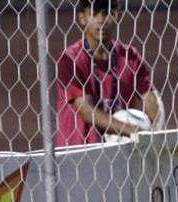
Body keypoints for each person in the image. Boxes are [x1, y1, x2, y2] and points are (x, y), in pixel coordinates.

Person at [55, 0, 163, 147]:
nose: (101, 20)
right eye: (94, 14)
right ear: (82, 18)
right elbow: (87, 111)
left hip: (121, 153)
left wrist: (152, 130)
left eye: (106, 13)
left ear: (117, 16)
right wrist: (135, 132)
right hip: (78, 154)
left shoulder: (130, 57)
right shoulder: (70, 59)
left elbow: (150, 98)